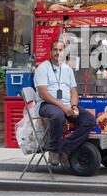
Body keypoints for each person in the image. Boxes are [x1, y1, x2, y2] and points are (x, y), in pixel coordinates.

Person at [34, 40, 96, 168]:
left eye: (60, 50)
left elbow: (74, 92)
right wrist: (63, 107)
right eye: (55, 50)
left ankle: (66, 149)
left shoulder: (67, 69)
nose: (58, 53)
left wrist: (73, 106)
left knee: (89, 120)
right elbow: (43, 94)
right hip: (46, 104)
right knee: (58, 115)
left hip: (66, 105)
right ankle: (54, 151)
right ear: (50, 52)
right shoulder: (42, 68)